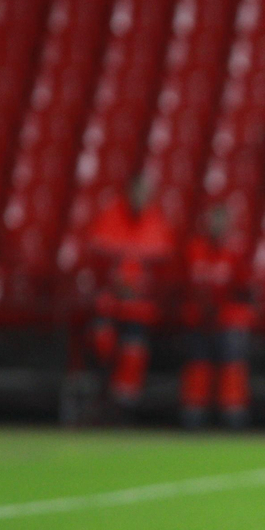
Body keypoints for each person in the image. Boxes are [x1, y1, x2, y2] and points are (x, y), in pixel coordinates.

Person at [86, 173, 176, 411]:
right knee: (102, 340)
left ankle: (124, 402)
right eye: (136, 193)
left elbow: (161, 256)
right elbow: (99, 249)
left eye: (144, 194)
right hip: (111, 298)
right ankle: (99, 388)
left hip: (139, 302)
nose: (140, 198)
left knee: (133, 349)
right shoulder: (112, 214)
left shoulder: (156, 220)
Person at [179, 205, 252, 429]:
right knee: (197, 366)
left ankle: (233, 416)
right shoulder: (194, 249)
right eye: (214, 221)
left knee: (232, 365)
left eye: (221, 221)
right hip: (199, 319)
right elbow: (183, 285)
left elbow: (245, 290)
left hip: (228, 319)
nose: (217, 226)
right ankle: (194, 414)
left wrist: (221, 309)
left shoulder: (236, 251)